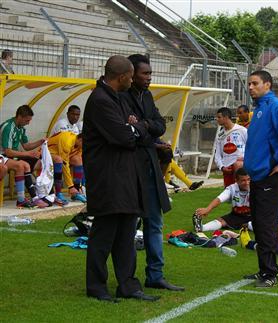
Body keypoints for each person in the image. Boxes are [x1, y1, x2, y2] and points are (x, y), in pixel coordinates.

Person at [84, 55, 158, 302]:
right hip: (108, 179)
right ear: (124, 76)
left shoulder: (116, 98)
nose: (135, 78)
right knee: (104, 235)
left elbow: (134, 129)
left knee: (126, 235)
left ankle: (128, 285)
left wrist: (135, 128)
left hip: (125, 177)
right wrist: (135, 128)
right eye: (132, 75)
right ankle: (96, 287)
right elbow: (125, 137)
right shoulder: (100, 100)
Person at [121, 54, 183, 291]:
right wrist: (147, 128)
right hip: (130, 169)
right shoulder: (121, 97)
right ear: (130, 74)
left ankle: (155, 275)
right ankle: (127, 278)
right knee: (129, 227)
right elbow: (130, 132)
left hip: (149, 167)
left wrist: (144, 125)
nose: (149, 77)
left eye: (150, 73)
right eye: (145, 73)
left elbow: (159, 125)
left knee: (155, 223)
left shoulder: (146, 95)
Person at [243, 70, 278, 288]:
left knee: (266, 223)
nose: (250, 87)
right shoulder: (259, 109)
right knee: (258, 222)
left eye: (255, 83)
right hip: (258, 176)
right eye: (249, 83)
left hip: (270, 176)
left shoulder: (277, 106)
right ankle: (264, 269)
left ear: (267, 85)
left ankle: (269, 274)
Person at [0, 105, 50, 208]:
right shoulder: (8, 127)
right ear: (19, 117)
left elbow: (26, 146)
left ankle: (45, 195)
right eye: (27, 120)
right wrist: (28, 154)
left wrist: (40, 142)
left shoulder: (21, 128)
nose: (28, 123)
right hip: (3, 155)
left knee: (41, 162)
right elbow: (8, 152)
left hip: (10, 156)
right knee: (23, 165)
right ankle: (29, 198)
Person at [193, 168, 251, 232]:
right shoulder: (232, 188)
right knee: (221, 221)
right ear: (236, 181)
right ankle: (201, 228)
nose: (247, 183)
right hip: (237, 215)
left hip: (254, 216)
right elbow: (219, 199)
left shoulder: (256, 188)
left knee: (260, 223)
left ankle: (247, 225)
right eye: (243, 180)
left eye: (248, 180)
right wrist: (207, 209)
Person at [47, 131, 86, 204]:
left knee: (78, 159)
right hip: (47, 153)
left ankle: (76, 192)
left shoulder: (79, 142)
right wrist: (70, 186)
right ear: (81, 140)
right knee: (59, 160)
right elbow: (65, 165)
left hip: (62, 156)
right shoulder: (67, 142)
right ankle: (58, 193)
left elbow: (78, 158)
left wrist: (78, 185)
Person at [214, 107, 247, 187]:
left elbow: (252, 147)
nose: (216, 119)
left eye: (219, 117)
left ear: (226, 117)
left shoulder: (242, 130)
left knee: (241, 193)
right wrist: (222, 167)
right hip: (227, 169)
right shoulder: (220, 135)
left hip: (240, 167)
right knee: (230, 195)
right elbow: (217, 154)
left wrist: (245, 158)